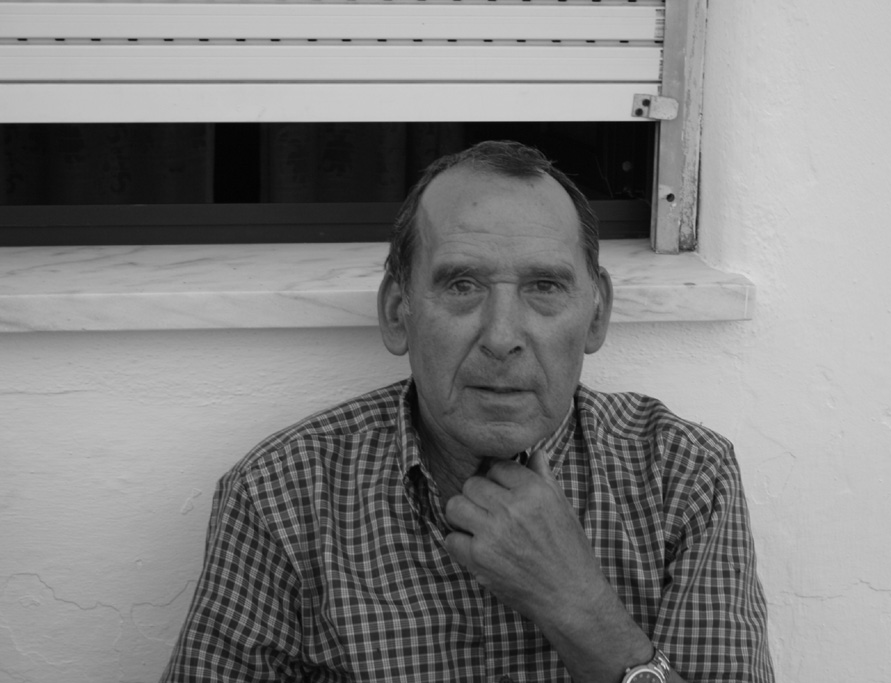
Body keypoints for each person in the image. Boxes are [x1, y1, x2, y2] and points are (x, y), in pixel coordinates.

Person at [162, 141, 774, 683]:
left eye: (544, 287)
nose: (502, 337)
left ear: (597, 315)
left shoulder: (683, 477)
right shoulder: (282, 495)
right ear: (398, 312)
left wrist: (578, 605)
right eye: (462, 285)